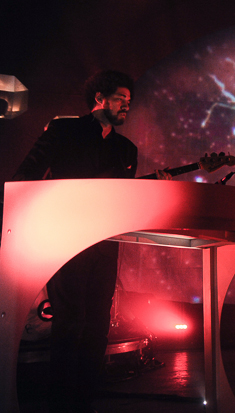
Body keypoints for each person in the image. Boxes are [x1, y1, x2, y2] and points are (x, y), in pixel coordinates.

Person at [12, 70, 168, 413]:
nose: (127, 106)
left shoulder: (126, 149)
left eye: (129, 101)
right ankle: (60, 404)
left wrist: (154, 190)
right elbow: (26, 176)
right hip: (66, 238)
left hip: (105, 244)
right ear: (99, 98)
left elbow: (123, 200)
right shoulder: (63, 130)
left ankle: (83, 401)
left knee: (97, 325)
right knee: (69, 323)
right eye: (120, 99)